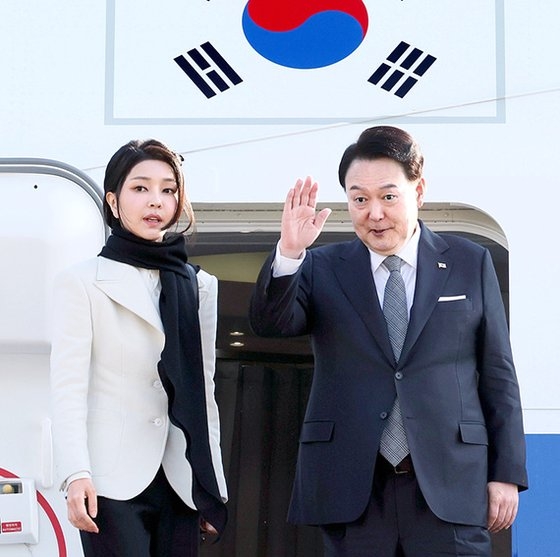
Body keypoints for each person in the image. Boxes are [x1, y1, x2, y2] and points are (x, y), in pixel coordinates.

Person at [250, 125, 528, 556]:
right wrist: (289, 253)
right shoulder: (322, 266)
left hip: (450, 481)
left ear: (419, 191)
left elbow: (498, 374)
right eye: (359, 199)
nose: (374, 213)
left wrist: (505, 473)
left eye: (388, 196)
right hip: (354, 486)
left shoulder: (469, 262)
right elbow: (271, 324)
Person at [50, 139, 227, 557]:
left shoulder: (200, 285)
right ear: (113, 201)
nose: (156, 201)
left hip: (181, 476)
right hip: (109, 479)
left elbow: (203, 392)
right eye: (140, 188)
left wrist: (212, 484)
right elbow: (68, 388)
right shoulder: (82, 281)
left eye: (168, 190)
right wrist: (75, 472)